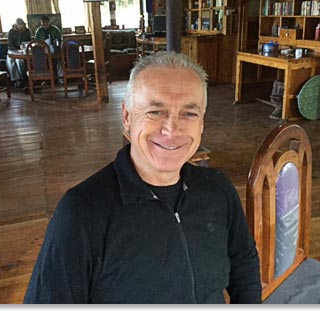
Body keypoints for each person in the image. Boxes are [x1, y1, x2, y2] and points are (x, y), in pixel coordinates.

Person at [24, 52, 262, 304]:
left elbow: (243, 263)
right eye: (155, 111)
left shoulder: (217, 189)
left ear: (202, 123)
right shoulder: (82, 211)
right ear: (126, 117)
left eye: (189, 114)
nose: (171, 129)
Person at [35, 15, 63, 81]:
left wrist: (55, 44)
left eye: (45, 23)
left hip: (54, 50)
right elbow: (36, 42)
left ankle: (57, 78)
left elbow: (59, 40)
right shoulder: (39, 31)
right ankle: (44, 79)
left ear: (49, 22)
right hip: (42, 51)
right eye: (42, 23)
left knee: (57, 60)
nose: (44, 25)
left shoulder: (55, 30)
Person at [6, 18, 31, 89]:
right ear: (16, 25)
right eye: (19, 26)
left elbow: (29, 41)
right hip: (13, 50)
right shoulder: (11, 32)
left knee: (19, 61)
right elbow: (10, 45)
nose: (21, 27)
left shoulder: (27, 31)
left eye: (22, 25)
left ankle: (23, 80)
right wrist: (17, 50)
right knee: (11, 61)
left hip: (23, 51)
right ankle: (16, 80)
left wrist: (24, 47)